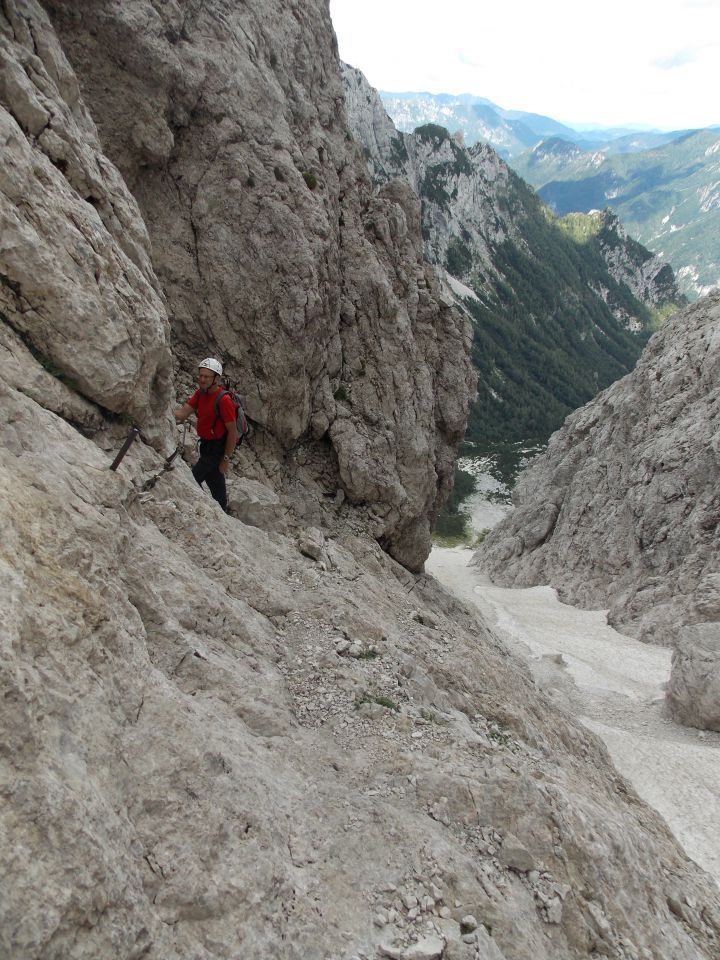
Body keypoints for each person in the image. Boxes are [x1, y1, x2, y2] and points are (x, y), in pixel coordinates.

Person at [175, 358, 238, 513]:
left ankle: (200, 511)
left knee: (192, 480)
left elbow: (232, 432)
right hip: (205, 445)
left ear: (216, 378)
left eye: (206, 377)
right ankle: (223, 512)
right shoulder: (200, 394)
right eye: (201, 375)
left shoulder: (224, 400)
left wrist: (225, 459)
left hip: (216, 449)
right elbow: (182, 414)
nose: (202, 379)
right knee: (215, 482)